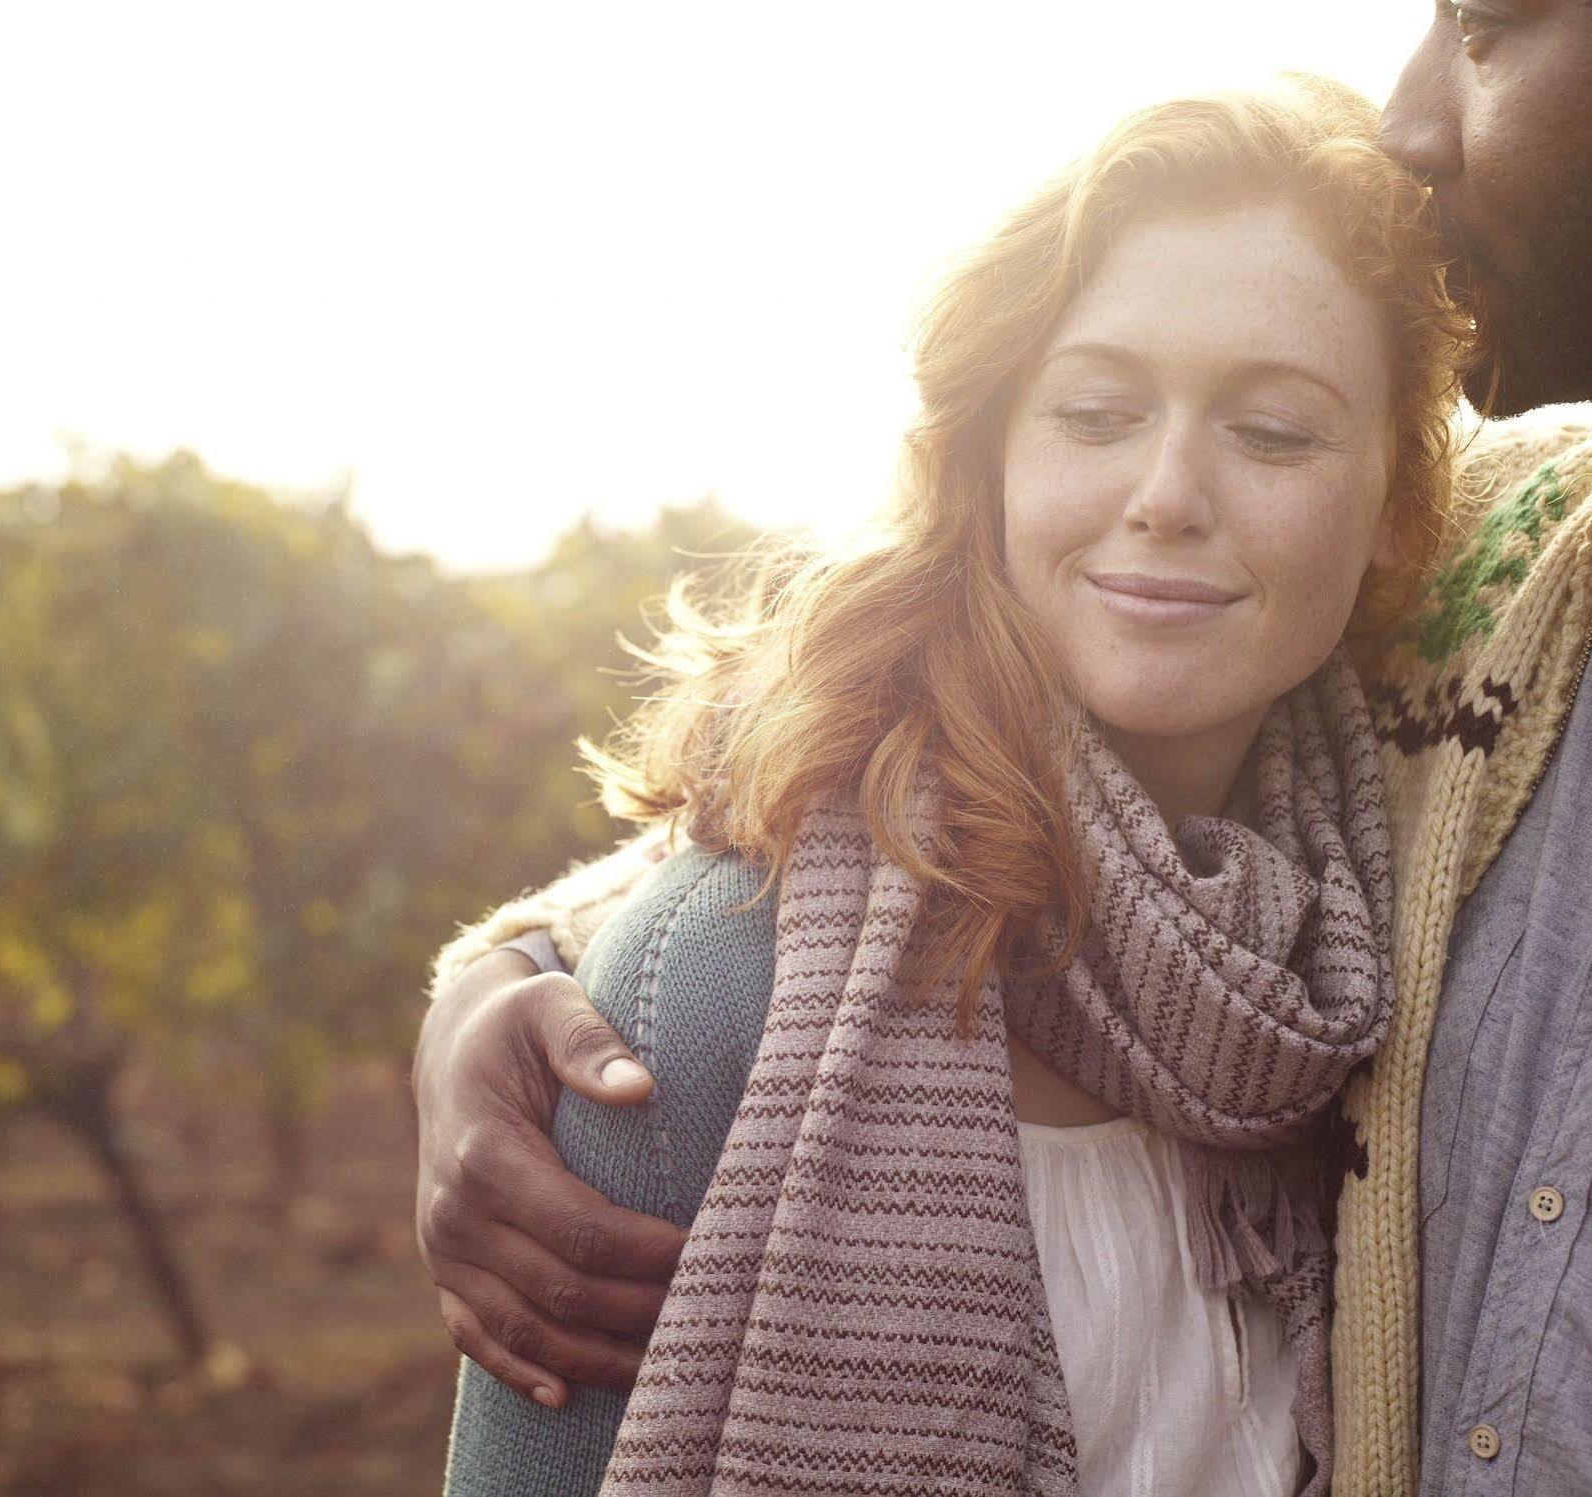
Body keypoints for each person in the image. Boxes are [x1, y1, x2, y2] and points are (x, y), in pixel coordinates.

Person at [420, 9, 1592, 1494]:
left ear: (1408, 514)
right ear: (989, 463)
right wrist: (500, 968)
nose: (1167, 492)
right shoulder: (714, 989)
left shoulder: (1321, 989)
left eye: (1278, 433)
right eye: (1098, 411)